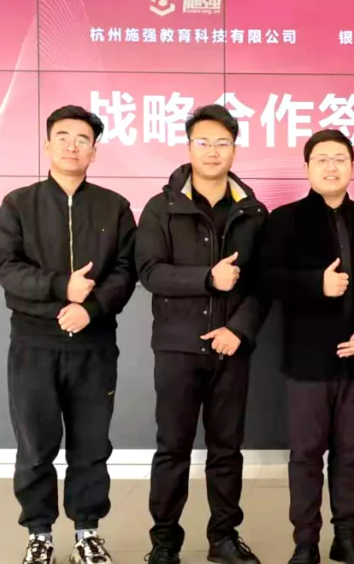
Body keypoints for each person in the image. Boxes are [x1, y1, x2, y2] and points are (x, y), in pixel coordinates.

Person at [0, 105, 138, 564]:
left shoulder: (114, 207)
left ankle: (87, 532)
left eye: (83, 139)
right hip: (33, 345)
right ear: (47, 144)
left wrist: (88, 309)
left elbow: (125, 271)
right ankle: (39, 534)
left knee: (91, 445)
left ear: (95, 151)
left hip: (94, 345)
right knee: (35, 445)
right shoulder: (19, 203)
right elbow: (5, 266)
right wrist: (61, 288)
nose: (73, 146)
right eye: (64, 137)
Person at [135, 105, 271, 564]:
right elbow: (150, 272)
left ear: (235, 148)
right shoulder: (162, 207)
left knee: (226, 449)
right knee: (171, 447)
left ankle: (223, 537)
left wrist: (239, 330)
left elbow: (263, 284)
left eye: (222, 143)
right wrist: (207, 278)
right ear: (188, 147)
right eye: (204, 142)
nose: (213, 152)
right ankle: (164, 541)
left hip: (231, 349)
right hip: (177, 346)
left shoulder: (253, 211)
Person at [259, 129, 354, 564]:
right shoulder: (284, 220)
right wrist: (314, 283)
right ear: (307, 168)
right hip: (307, 360)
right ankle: (305, 542)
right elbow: (266, 279)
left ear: (352, 166)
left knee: (351, 452)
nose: (331, 166)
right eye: (322, 159)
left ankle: (347, 538)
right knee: (305, 454)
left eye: (340, 158)